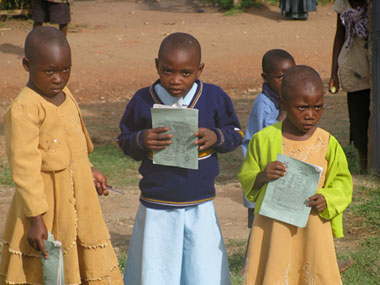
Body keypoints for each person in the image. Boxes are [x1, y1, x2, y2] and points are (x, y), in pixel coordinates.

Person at [117, 32, 243, 285]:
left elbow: (236, 134)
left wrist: (216, 137)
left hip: (199, 202)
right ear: (156, 66)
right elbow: (123, 140)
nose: (175, 80)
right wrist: (142, 140)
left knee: (201, 268)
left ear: (199, 69)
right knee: (157, 269)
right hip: (157, 204)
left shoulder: (213, 97)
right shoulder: (143, 100)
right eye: (167, 71)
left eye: (186, 73)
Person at [0, 27, 122, 284]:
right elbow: (24, 169)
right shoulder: (24, 110)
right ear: (27, 65)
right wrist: (36, 220)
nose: (59, 78)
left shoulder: (67, 98)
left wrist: (88, 170)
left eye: (65, 69)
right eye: (49, 71)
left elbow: (74, 145)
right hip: (45, 207)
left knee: (82, 259)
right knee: (47, 268)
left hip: (80, 200)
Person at [238, 65, 353, 284]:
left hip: (313, 225)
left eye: (317, 107)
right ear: (283, 104)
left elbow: (342, 182)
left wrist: (328, 198)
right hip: (274, 226)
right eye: (302, 107)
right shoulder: (264, 139)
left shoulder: (328, 143)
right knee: (276, 270)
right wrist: (262, 175)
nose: (310, 115)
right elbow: (247, 175)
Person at [242, 49, 295, 228]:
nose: (287, 81)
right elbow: (268, 137)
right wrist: (284, 112)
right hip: (262, 173)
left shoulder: (291, 97)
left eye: (291, 75)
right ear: (265, 77)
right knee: (261, 225)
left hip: (281, 174)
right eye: (281, 77)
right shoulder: (263, 104)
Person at [329, 0, 370, 172]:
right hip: (353, 65)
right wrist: (333, 74)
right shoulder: (343, 4)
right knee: (358, 119)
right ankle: (364, 166)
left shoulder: (373, 6)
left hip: (372, 62)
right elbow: (339, 35)